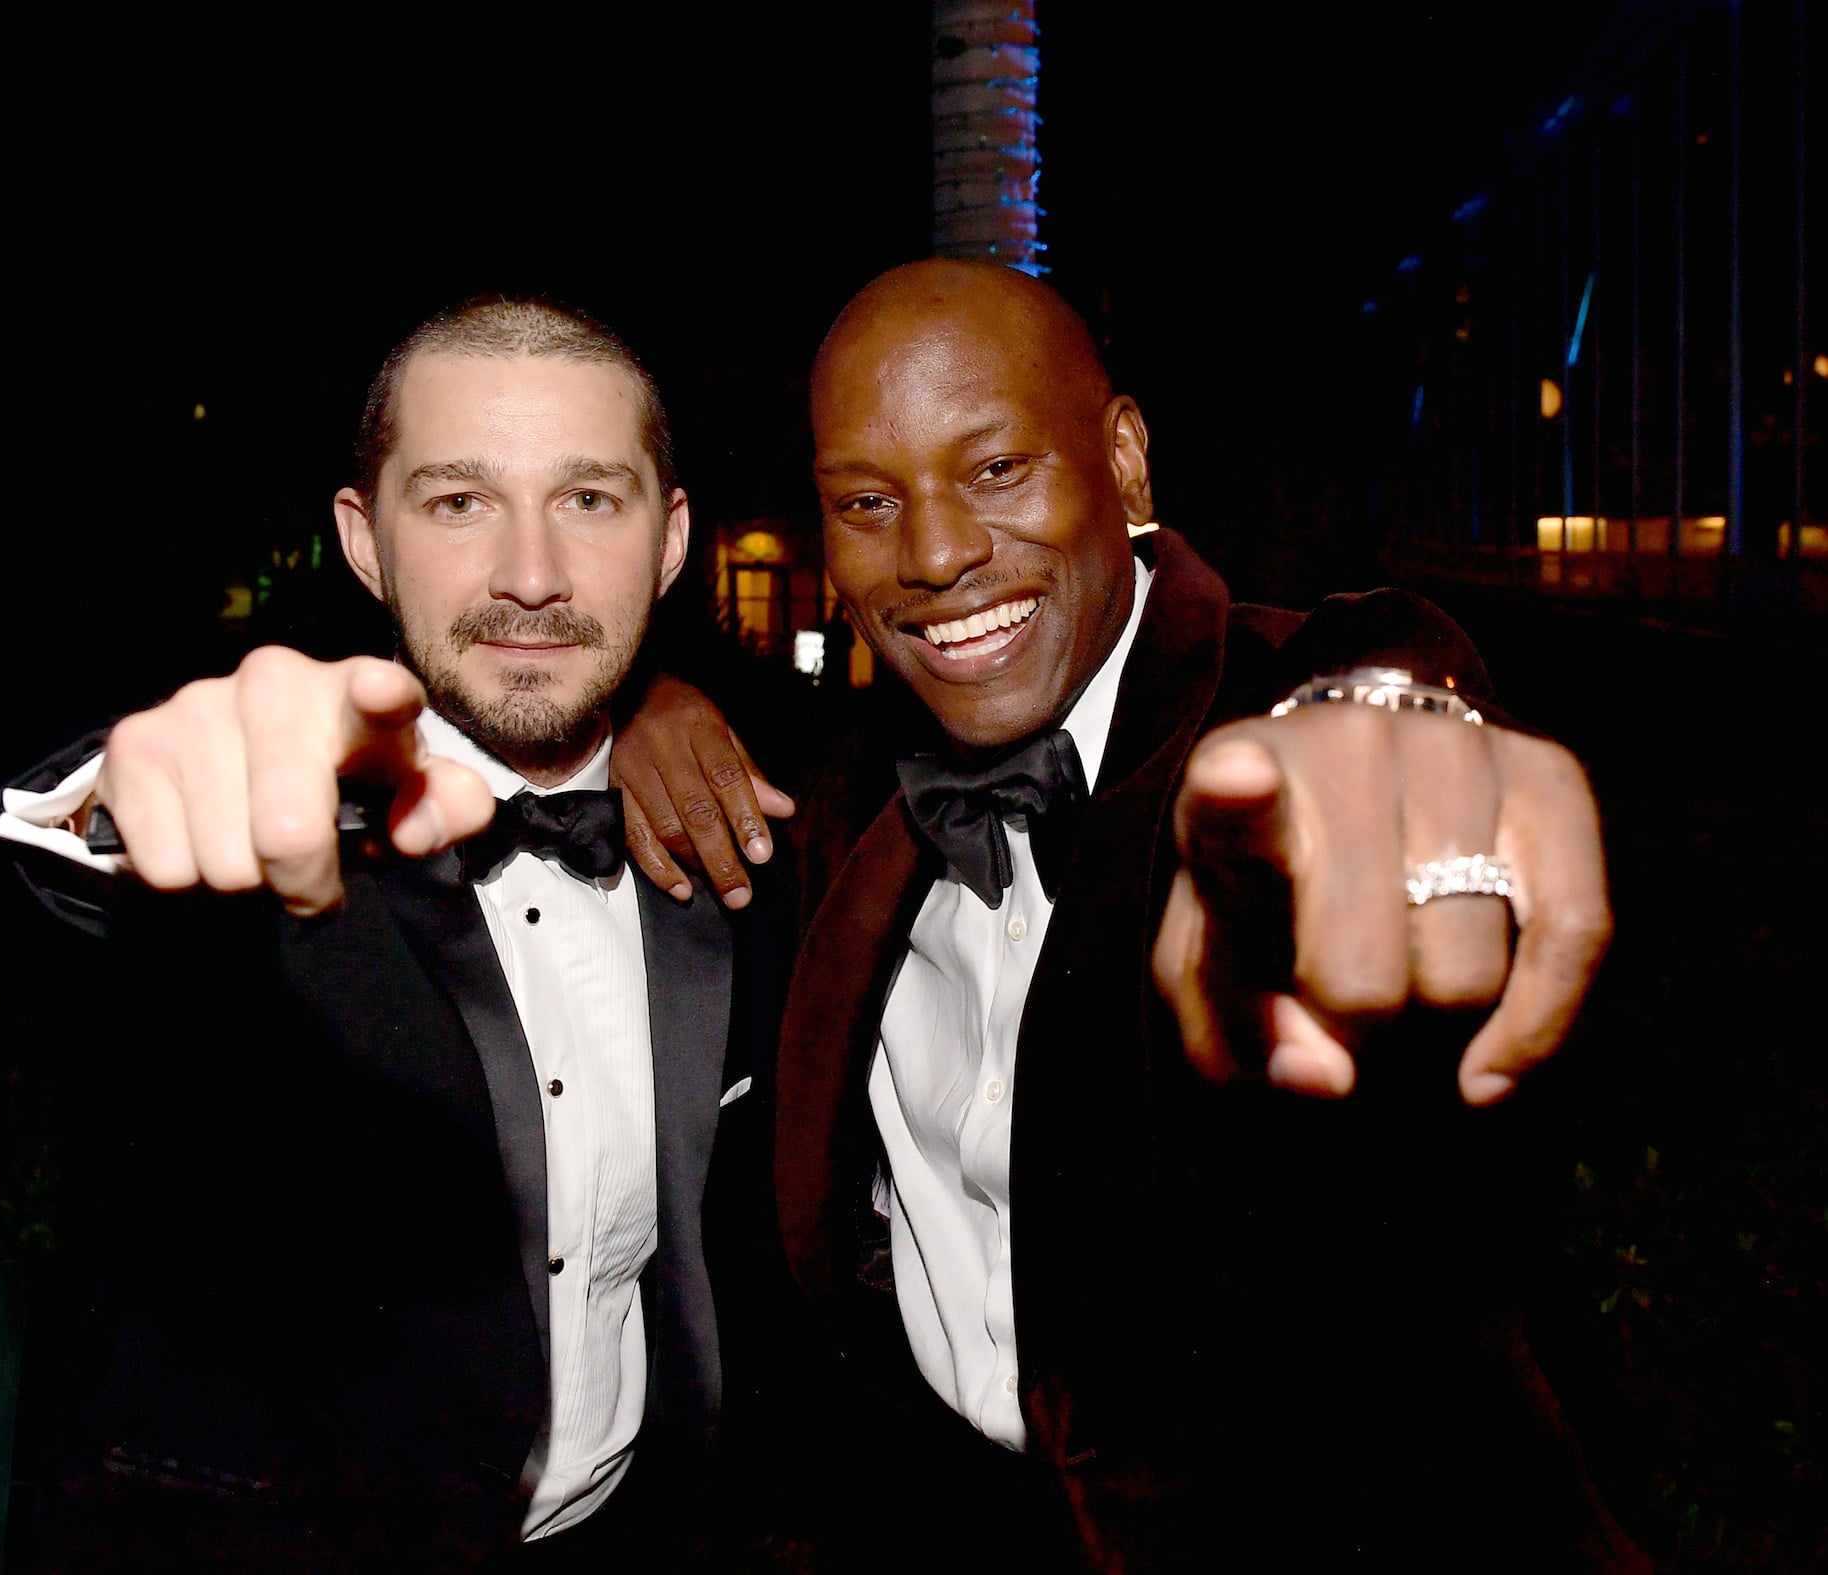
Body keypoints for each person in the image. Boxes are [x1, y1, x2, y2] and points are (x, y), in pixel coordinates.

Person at [609, 259, 1644, 1570]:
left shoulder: (1275, 707)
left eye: (997, 471)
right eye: (869, 502)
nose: (934, 553)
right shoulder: (847, 807)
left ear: (1126, 465)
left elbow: (1381, 707)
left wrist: (1395, 755)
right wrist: (625, 713)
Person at [0, 296, 796, 1568]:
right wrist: (121, 800)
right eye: (459, 501)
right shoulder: (277, 854)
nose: (531, 574)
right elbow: (71, 868)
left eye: (590, 499)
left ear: (670, 540)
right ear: (365, 543)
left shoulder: (734, 840)